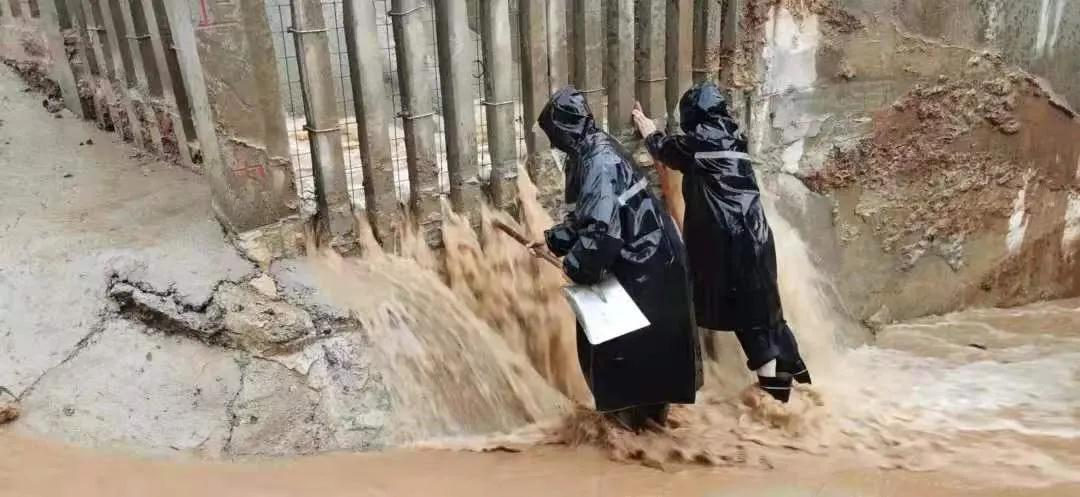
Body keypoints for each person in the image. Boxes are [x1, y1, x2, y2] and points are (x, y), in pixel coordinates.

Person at [631, 82, 811, 403]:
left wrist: (648, 130)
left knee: (744, 320)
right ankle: (791, 395)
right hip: (757, 237)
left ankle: (772, 402)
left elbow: (665, 150)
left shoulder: (699, 143)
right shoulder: (736, 136)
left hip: (728, 245)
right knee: (765, 314)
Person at [538, 87, 702, 430]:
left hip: (645, 269)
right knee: (647, 378)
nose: (555, 146)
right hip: (652, 261)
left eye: (555, 138)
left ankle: (634, 441)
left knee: (630, 371)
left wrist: (576, 267)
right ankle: (648, 442)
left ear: (565, 131)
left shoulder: (596, 162)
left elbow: (602, 233)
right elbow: (594, 216)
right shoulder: (596, 148)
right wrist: (556, 239)